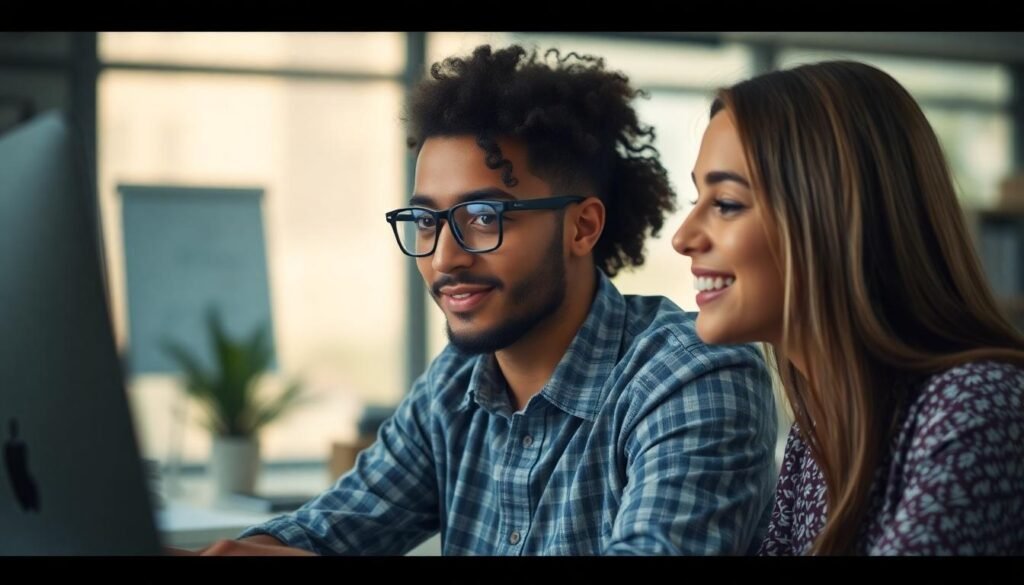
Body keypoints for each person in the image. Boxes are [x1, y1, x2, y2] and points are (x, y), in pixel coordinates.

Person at [202, 44, 777, 556]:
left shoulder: (690, 375)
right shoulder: (454, 386)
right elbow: (330, 531)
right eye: (426, 221)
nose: (445, 257)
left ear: (582, 228)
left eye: (483, 217)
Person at [673, 60, 1024, 555]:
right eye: (697, 198)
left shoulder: (976, 407)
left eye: (726, 203)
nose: (682, 238)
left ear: (828, 216)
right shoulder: (816, 432)